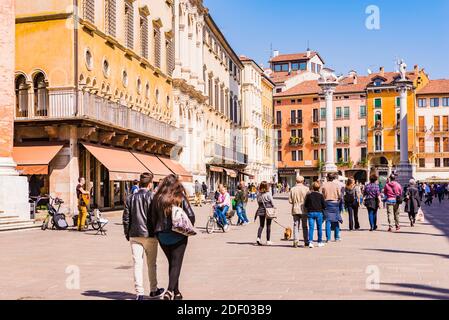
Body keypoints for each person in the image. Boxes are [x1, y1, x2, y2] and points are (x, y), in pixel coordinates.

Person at [152, 174, 195, 301]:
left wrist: (157, 233)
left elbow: (152, 218)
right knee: (176, 264)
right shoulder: (180, 197)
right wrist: (187, 226)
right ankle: (169, 291)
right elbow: (191, 216)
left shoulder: (157, 198)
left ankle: (177, 292)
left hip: (162, 236)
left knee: (172, 263)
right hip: (178, 235)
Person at [122, 173, 165, 300]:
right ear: (150, 184)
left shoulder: (131, 198)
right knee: (152, 264)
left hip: (135, 235)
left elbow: (126, 218)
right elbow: (159, 217)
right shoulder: (154, 197)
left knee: (137, 264)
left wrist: (127, 233)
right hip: (150, 235)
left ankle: (139, 293)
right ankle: (153, 290)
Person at [288, 176, 310, 248]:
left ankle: (295, 241)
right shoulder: (306, 189)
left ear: (296, 181)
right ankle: (306, 241)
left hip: (295, 208)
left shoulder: (292, 189)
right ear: (303, 181)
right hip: (304, 209)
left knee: (295, 225)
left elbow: (290, 201)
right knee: (304, 226)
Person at [321, 173, 343, 242]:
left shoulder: (324, 185)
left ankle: (328, 238)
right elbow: (340, 195)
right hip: (335, 203)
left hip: (327, 203)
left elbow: (322, 195)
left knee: (328, 221)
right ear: (333, 178)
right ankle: (336, 237)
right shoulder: (336, 185)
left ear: (327, 178)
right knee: (336, 220)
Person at [304, 181, 326, 248]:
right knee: (319, 228)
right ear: (319, 188)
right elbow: (324, 205)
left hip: (311, 212)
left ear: (312, 187)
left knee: (311, 228)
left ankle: (310, 242)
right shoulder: (321, 195)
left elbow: (306, 205)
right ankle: (319, 242)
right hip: (319, 213)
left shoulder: (309, 195)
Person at [255, 181, 275, 246]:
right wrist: (274, 207)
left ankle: (258, 238)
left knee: (261, 225)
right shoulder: (268, 193)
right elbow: (272, 201)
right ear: (267, 187)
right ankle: (268, 240)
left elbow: (258, 202)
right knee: (268, 225)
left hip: (261, 209)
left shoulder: (258, 194)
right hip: (268, 209)